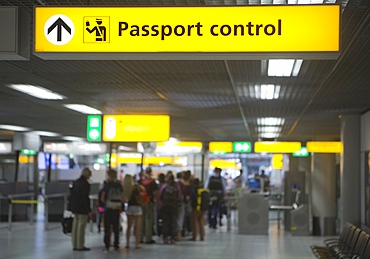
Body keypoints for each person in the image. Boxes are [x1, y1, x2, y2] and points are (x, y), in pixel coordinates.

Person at [69, 167, 92, 251]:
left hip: (75, 207)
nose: (90, 175)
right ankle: (80, 245)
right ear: (86, 174)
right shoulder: (85, 184)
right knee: (81, 227)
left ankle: (74, 244)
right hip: (82, 208)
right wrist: (88, 210)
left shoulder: (76, 182)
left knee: (75, 226)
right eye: (90, 173)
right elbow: (85, 198)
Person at [101, 169, 124, 252]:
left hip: (108, 208)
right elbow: (122, 197)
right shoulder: (119, 185)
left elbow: (102, 198)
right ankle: (116, 244)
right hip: (116, 209)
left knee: (107, 227)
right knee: (116, 226)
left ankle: (107, 244)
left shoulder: (107, 185)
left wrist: (106, 203)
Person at [123, 174, 144, 249]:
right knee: (137, 227)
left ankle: (127, 243)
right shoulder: (136, 187)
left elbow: (124, 199)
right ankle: (137, 243)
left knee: (129, 226)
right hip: (137, 207)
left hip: (129, 207)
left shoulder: (125, 188)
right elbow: (143, 190)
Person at [159, 174, 181, 244]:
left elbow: (160, 196)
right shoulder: (176, 186)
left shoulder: (164, 186)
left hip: (165, 206)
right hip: (173, 207)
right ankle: (172, 238)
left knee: (165, 221)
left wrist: (161, 204)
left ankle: (165, 237)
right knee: (173, 221)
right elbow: (179, 196)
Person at [138, 167, 158, 244]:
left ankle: (140, 237)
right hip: (149, 202)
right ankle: (148, 238)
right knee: (148, 219)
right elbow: (155, 193)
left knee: (141, 220)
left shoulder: (140, 181)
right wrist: (156, 202)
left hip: (141, 202)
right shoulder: (152, 182)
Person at [176, 170, 192, 240]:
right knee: (181, 218)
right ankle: (180, 233)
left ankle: (177, 233)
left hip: (178, 203)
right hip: (186, 203)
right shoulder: (190, 185)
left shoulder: (178, 184)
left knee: (178, 218)